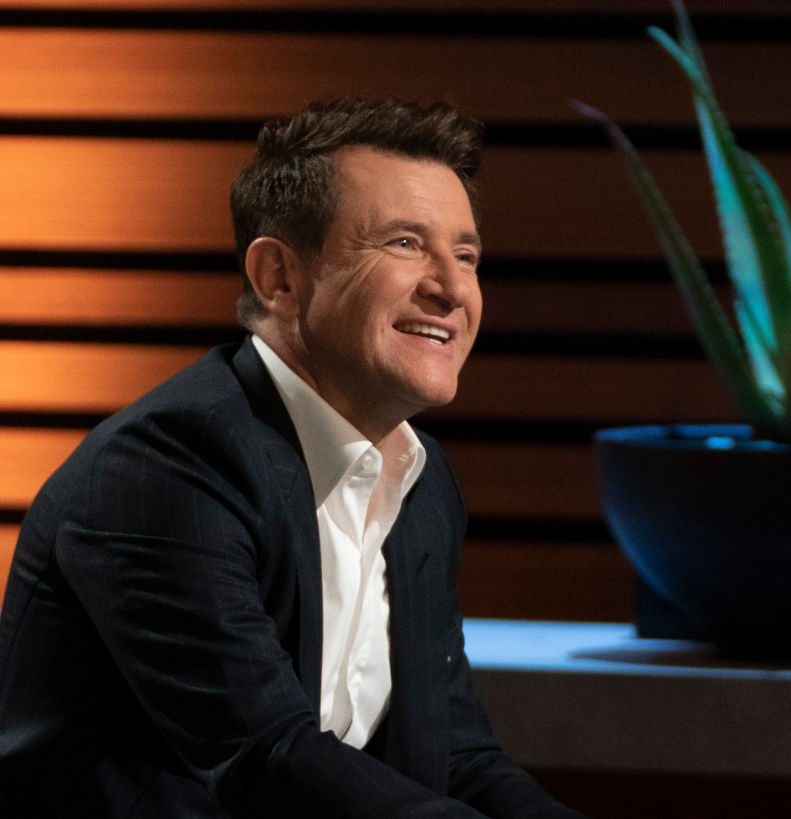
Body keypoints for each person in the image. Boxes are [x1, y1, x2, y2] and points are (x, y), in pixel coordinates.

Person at [0, 98, 587, 818]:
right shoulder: (168, 462)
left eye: (465, 255)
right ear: (279, 276)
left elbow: (458, 755)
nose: (453, 288)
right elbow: (266, 757)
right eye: (405, 243)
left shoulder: (421, 477)